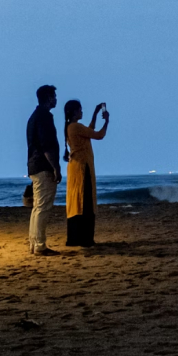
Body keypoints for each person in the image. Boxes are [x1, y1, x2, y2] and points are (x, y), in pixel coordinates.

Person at [63, 100, 109, 247]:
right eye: (80, 110)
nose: (82, 112)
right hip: (83, 169)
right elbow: (98, 135)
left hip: (76, 168)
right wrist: (107, 121)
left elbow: (88, 132)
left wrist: (95, 115)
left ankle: (76, 238)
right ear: (75, 111)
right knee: (85, 201)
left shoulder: (71, 127)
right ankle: (85, 238)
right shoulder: (76, 126)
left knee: (77, 202)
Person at [26, 85, 61, 256]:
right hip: (42, 166)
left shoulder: (35, 116)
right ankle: (39, 245)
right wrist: (56, 167)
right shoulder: (44, 117)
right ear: (48, 97)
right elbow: (47, 145)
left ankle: (34, 242)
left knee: (37, 207)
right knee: (43, 207)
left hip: (34, 165)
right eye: (53, 96)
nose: (55, 99)